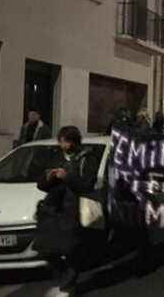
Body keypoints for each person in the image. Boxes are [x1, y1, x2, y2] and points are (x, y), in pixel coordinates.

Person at [34, 126, 103, 297]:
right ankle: (64, 278)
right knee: (47, 249)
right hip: (53, 209)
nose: (62, 145)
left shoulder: (87, 158)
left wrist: (68, 177)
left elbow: (87, 184)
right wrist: (48, 178)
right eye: (60, 141)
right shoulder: (55, 157)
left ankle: (68, 286)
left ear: (73, 141)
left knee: (71, 249)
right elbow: (41, 184)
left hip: (73, 210)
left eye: (64, 141)